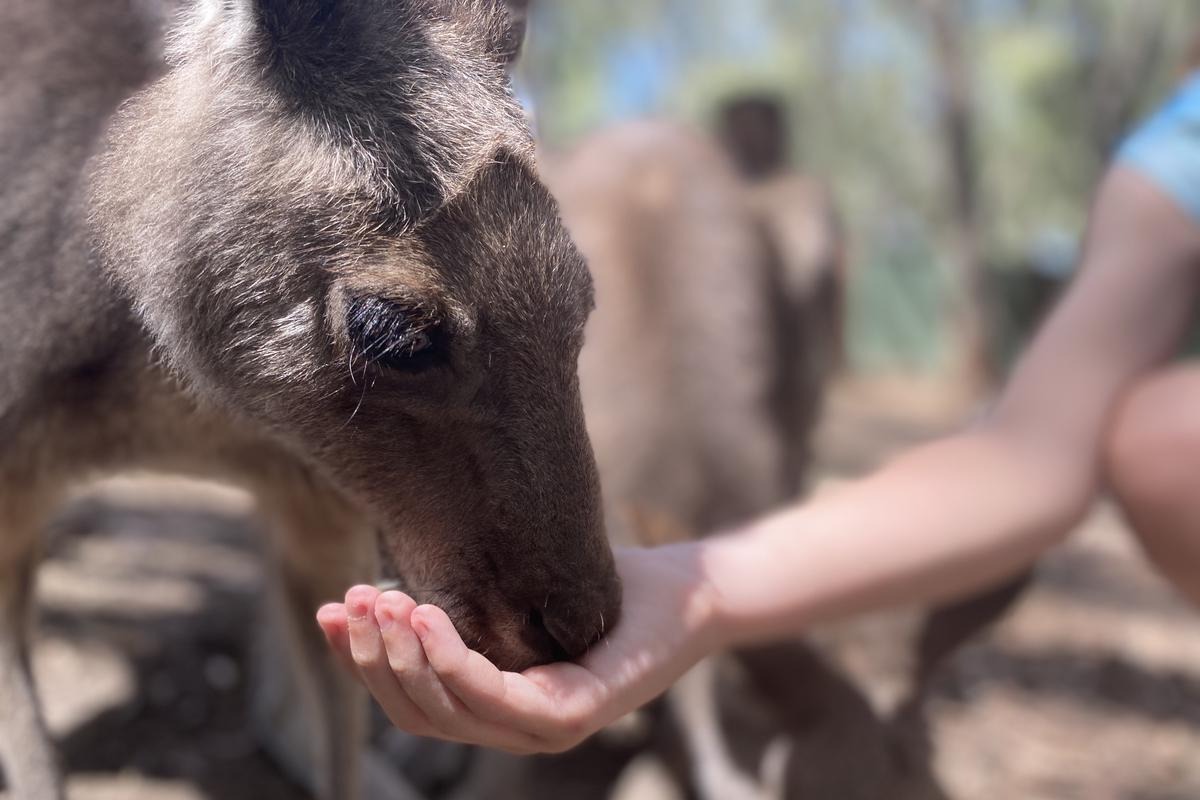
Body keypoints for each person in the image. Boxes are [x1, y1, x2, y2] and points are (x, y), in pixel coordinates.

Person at [315, 52, 1200, 756]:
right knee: (1164, 437)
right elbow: (1038, 452)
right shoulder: (1173, 163)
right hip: (650, 486)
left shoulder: (798, 205)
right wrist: (697, 592)